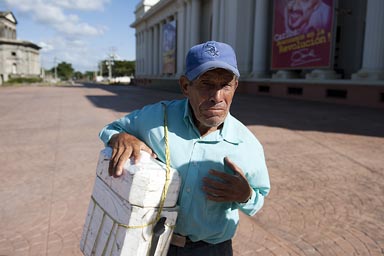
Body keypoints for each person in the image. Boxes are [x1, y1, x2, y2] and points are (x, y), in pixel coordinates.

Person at [99, 41, 270, 256]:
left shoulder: (247, 145)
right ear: (185, 86)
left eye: (225, 85)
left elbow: (259, 198)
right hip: (150, 243)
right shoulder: (155, 118)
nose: (217, 97)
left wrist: (245, 195)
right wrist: (121, 137)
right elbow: (111, 129)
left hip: (212, 250)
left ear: (235, 86)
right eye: (206, 84)